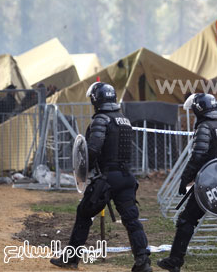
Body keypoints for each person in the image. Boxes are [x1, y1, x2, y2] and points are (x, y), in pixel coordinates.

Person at [50, 82, 152, 272]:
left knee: (83, 214)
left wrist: (85, 170)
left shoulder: (101, 119)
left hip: (106, 179)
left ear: (96, 100)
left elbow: (94, 148)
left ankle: (71, 259)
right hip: (126, 177)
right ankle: (143, 262)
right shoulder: (124, 119)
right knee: (132, 220)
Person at [158, 93, 217, 272]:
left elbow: (198, 156)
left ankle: (175, 261)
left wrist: (185, 180)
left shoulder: (205, 128)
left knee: (187, 220)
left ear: (199, 110)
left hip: (207, 184)